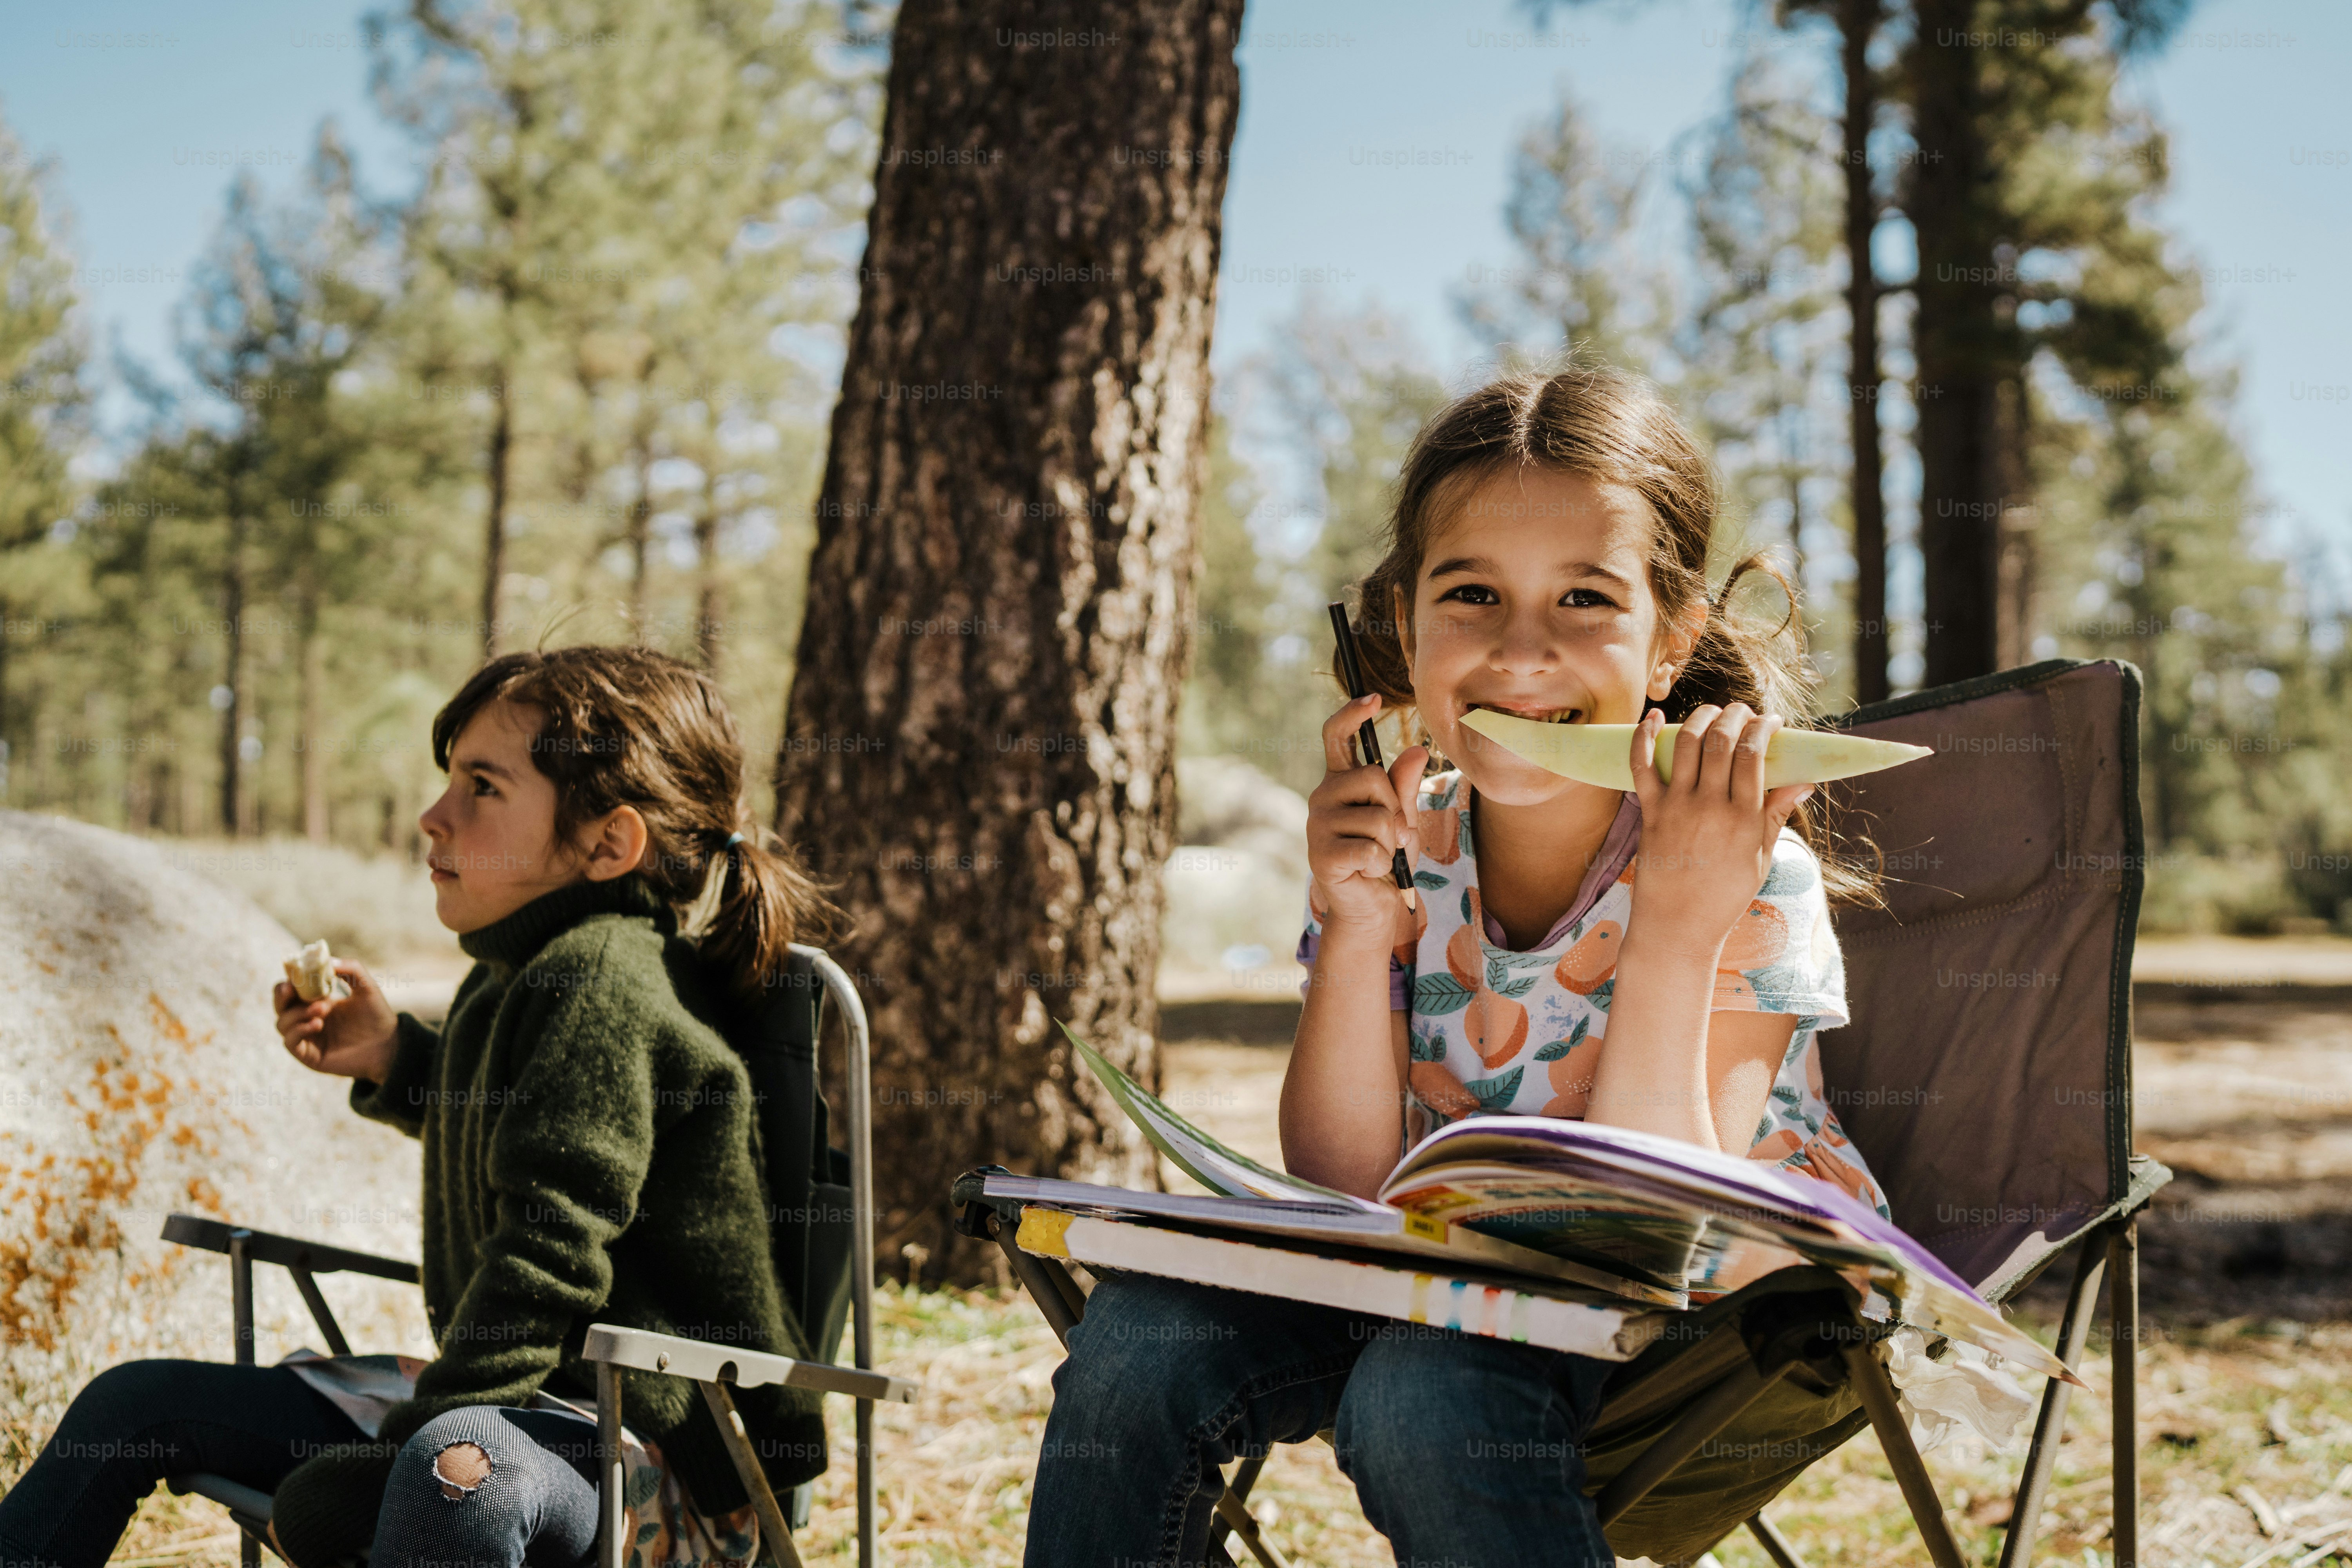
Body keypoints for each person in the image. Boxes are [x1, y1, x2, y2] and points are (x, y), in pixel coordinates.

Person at [1024, 364, 1889, 1568]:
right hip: (1442, 1275)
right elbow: (1344, 1178)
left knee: (1422, 1395)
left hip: (1700, 1314)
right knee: (1133, 1347)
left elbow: (1660, 1225)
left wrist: (1683, 922)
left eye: (1586, 600)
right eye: (1471, 594)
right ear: (1406, 625)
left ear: (1670, 643)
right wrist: (1359, 924)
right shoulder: (1406, 837)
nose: (1522, 652)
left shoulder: (1743, 866)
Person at [0, 646, 838, 1568]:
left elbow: (550, 1253)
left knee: (454, 1474)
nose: (432, 816)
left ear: (609, 842)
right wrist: (398, 1056)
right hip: (531, 1402)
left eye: (483, 786)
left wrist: (402, 1447)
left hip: (660, 1451)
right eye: (449, 779)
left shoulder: (605, 979)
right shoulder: (520, 972)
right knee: (135, 1405)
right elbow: (519, 1116)